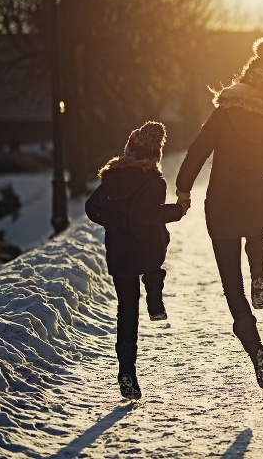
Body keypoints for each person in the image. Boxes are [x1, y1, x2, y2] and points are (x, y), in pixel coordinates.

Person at [175, 37, 263, 389]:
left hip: (223, 205)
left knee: (232, 285)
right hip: (260, 204)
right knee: (256, 234)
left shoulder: (225, 114)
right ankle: (259, 266)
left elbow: (197, 151)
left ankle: (255, 347)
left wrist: (183, 191)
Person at [85, 120, 190, 400]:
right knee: (156, 249)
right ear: (154, 156)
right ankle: (154, 292)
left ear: (128, 150)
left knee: (126, 313)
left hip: (119, 255)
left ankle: (126, 372)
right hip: (146, 251)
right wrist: (177, 211)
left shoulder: (110, 179)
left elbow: (91, 209)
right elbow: (146, 216)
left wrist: (115, 223)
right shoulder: (153, 181)